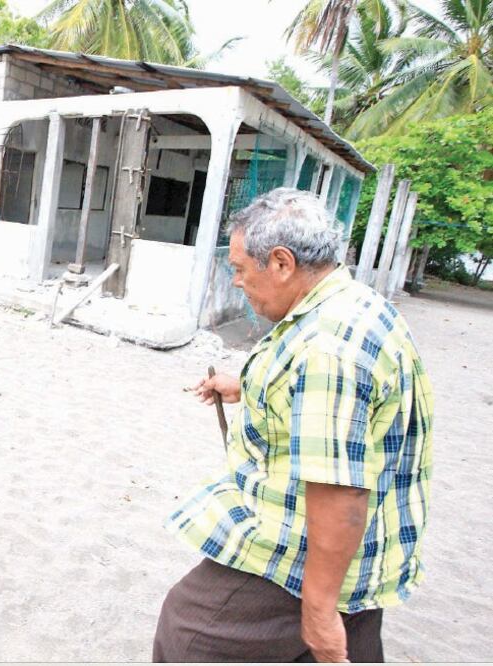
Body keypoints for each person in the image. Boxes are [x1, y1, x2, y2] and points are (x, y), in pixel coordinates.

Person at [153, 188, 434, 662]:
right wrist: (243, 383)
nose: (237, 282)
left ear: (282, 263)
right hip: (366, 546)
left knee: (190, 634)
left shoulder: (329, 350)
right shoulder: (349, 304)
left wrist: (319, 609)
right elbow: (323, 397)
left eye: (240, 268)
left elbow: (340, 492)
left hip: (308, 546)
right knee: (344, 646)